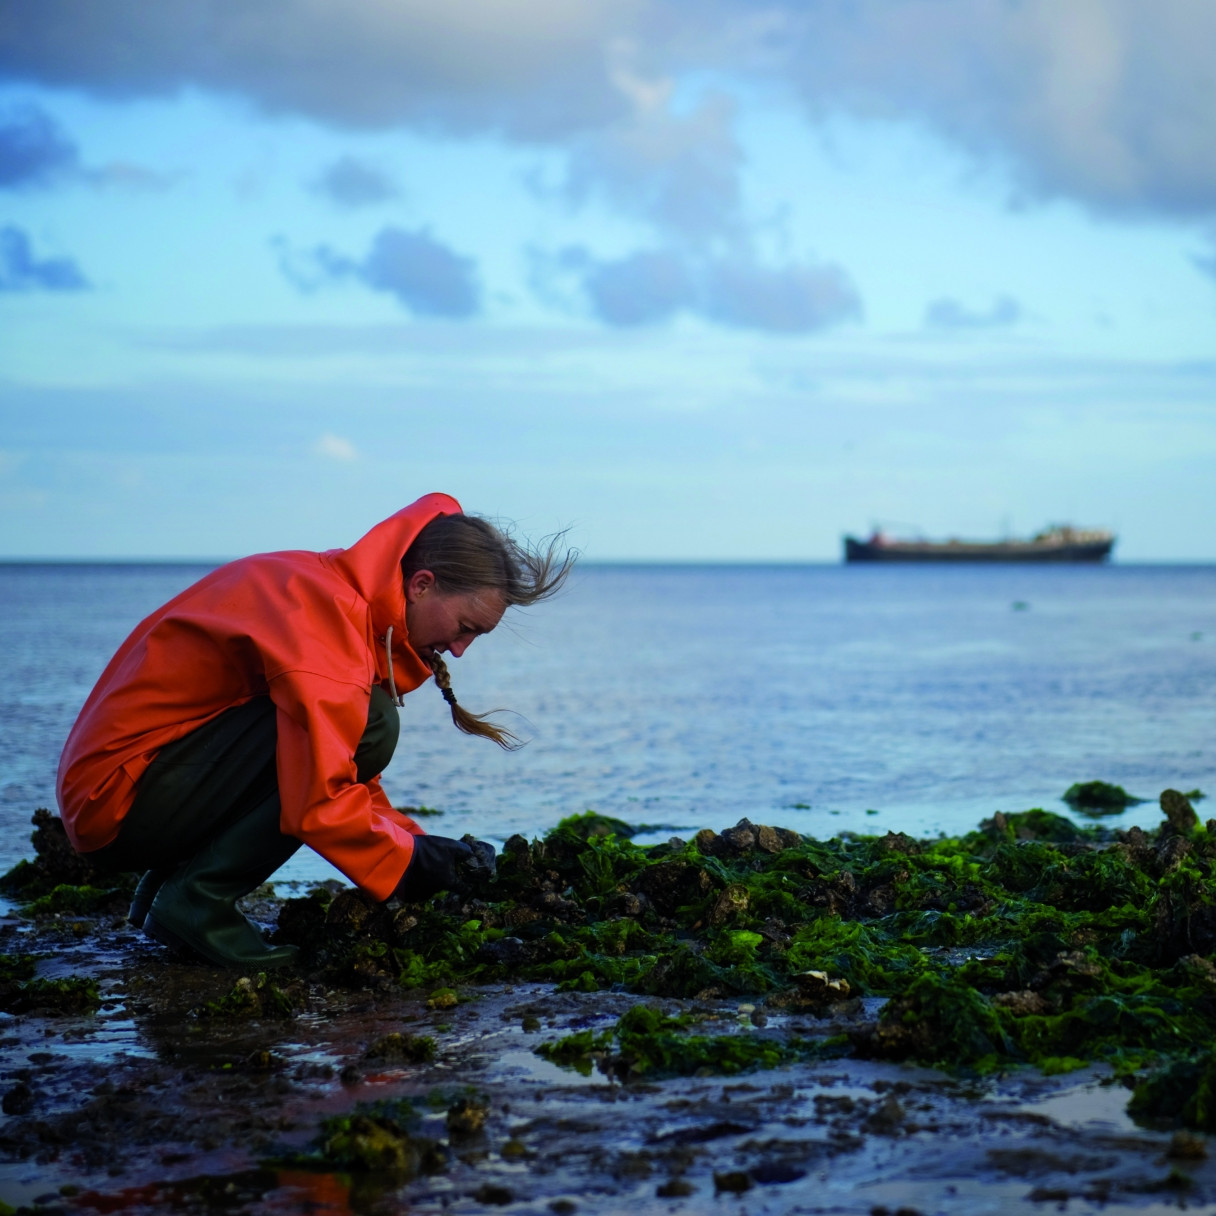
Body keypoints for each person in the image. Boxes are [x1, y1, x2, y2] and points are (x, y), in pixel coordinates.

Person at [55, 492, 572, 969]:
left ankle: (166, 891)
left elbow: (333, 760)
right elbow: (318, 798)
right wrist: (409, 864)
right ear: (422, 585)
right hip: (117, 802)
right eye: (465, 628)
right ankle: (198, 900)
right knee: (376, 725)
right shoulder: (325, 616)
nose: (460, 650)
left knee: (361, 726)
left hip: (127, 789)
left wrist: (416, 842)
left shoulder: (328, 592)